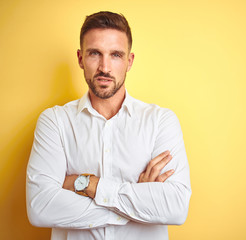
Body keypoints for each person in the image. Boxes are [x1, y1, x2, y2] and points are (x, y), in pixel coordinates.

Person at [26, 11, 191, 240]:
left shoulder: (161, 121)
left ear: (129, 61)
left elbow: (176, 207)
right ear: (81, 58)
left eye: (115, 55)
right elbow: (40, 208)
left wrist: (86, 184)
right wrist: (138, 201)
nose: (105, 67)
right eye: (95, 53)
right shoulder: (55, 122)